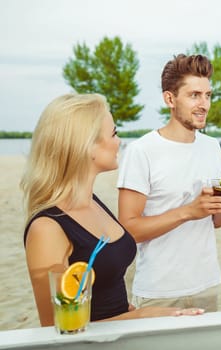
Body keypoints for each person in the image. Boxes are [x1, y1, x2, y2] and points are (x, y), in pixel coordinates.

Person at [21, 93, 203, 327]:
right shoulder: (47, 228)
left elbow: (107, 293)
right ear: (86, 146)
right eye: (114, 133)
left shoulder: (93, 202)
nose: (119, 142)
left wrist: (130, 314)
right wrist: (142, 315)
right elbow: (57, 328)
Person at [117, 54, 221, 312]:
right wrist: (189, 211)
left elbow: (217, 223)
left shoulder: (212, 147)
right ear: (169, 99)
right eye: (194, 95)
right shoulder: (142, 151)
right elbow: (129, 230)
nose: (204, 104)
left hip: (206, 283)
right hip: (159, 291)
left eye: (208, 95)